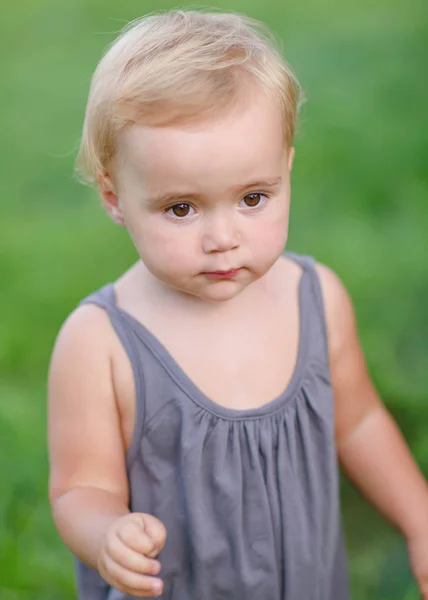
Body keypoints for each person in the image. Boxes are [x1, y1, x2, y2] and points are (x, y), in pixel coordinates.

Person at [47, 9, 428, 600]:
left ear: (287, 169)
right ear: (114, 197)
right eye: (181, 208)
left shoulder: (316, 298)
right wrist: (107, 535)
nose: (222, 237)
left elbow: (360, 423)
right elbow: (79, 488)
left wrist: (420, 519)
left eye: (253, 197)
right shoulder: (99, 342)